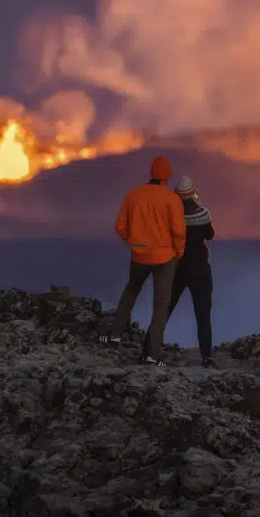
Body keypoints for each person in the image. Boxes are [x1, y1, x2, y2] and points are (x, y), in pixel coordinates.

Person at [105, 155, 186, 365]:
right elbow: (179, 231)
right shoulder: (171, 199)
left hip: (139, 255)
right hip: (165, 257)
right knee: (161, 304)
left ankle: (115, 336)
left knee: (131, 291)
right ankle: (153, 355)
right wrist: (179, 252)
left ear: (151, 173)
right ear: (167, 175)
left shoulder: (133, 195)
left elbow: (120, 228)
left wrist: (134, 243)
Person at [150, 174, 217, 368]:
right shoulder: (202, 214)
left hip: (176, 270)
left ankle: (149, 352)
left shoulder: (171, 216)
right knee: (203, 316)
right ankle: (207, 358)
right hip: (200, 271)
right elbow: (210, 235)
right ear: (193, 193)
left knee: (164, 311)